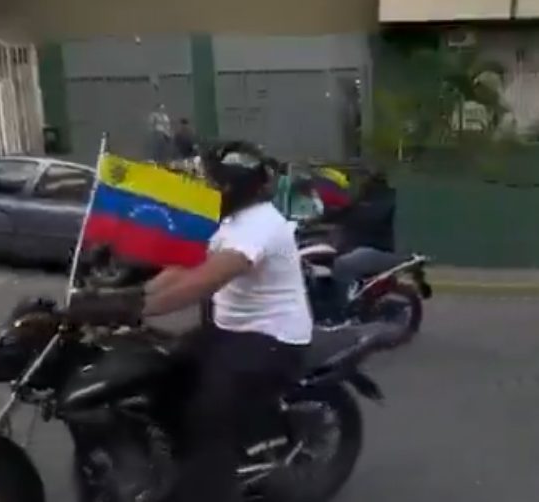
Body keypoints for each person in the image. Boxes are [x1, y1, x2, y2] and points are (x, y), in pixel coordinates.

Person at [73, 141, 312, 502]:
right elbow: (182, 270)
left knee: (208, 415)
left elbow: (204, 280)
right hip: (227, 331)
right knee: (162, 376)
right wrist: (124, 299)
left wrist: (133, 308)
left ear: (239, 186)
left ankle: (206, 487)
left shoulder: (262, 224)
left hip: (270, 339)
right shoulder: (226, 221)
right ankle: (167, 458)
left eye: (219, 183)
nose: (213, 187)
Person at [311, 168, 399, 323]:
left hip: (377, 250)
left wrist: (350, 214)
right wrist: (312, 222)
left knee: (343, 264)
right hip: (355, 247)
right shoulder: (362, 199)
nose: (360, 183)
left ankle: (339, 311)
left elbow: (369, 216)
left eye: (364, 179)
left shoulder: (386, 200)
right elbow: (342, 213)